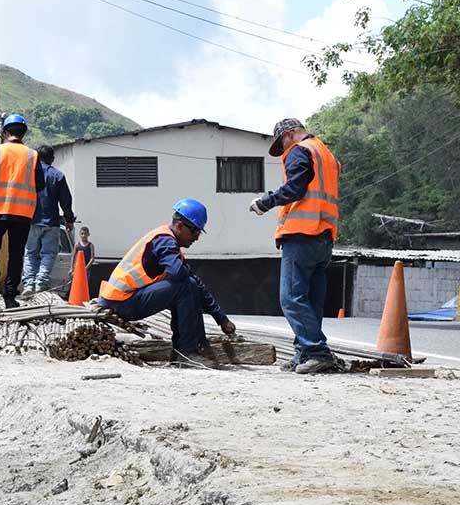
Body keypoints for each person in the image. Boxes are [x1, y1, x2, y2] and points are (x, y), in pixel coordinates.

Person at [98, 199, 236, 368]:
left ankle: (195, 347)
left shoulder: (171, 246)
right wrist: (187, 273)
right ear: (179, 226)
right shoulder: (164, 241)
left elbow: (196, 284)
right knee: (185, 286)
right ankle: (186, 352)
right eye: (194, 233)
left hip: (126, 300)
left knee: (190, 284)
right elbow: (178, 273)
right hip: (119, 302)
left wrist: (221, 319)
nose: (196, 238)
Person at [249, 117, 340, 374]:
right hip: (324, 236)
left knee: (291, 298)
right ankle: (303, 354)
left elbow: (296, 188)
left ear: (289, 134)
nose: (284, 149)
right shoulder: (326, 155)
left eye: (283, 142)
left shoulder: (299, 151)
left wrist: (266, 201)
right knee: (310, 301)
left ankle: (318, 352)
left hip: (301, 234)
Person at [0, 113, 45, 308]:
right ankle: (9, 296)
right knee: (16, 253)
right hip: (22, 212)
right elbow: (39, 184)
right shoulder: (33, 155)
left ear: (6, 132)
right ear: (23, 133)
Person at [21, 144, 75, 294]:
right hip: (51, 221)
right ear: (52, 159)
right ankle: (41, 283)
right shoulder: (58, 176)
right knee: (49, 254)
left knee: (30, 253)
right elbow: (66, 201)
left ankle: (28, 284)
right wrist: (69, 219)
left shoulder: (29, 175)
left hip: (31, 220)